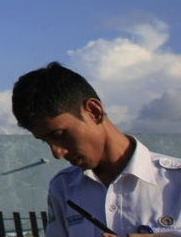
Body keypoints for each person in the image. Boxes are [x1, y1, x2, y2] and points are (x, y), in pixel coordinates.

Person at [12, 62, 181, 237]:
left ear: (94, 111)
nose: (57, 153)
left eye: (60, 134)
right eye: (45, 142)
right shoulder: (63, 187)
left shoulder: (175, 180)